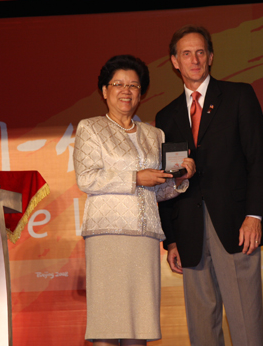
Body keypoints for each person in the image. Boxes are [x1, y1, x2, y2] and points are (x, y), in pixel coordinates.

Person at [155, 25, 263, 346]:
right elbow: (167, 181)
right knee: (202, 329)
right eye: (186, 53)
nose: (195, 59)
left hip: (236, 226)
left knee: (246, 323)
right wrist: (171, 241)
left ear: (211, 57)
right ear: (174, 61)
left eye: (201, 52)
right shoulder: (166, 116)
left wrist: (254, 216)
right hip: (189, 232)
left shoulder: (238, 96)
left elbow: (258, 160)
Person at [73, 54, 195, 346]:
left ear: (141, 94)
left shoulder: (154, 134)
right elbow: (87, 178)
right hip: (108, 236)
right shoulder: (90, 128)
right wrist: (136, 177)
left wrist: (179, 178)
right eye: (118, 84)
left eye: (134, 86)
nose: (126, 91)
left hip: (145, 237)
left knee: (139, 326)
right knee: (107, 324)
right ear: (104, 91)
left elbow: (158, 191)